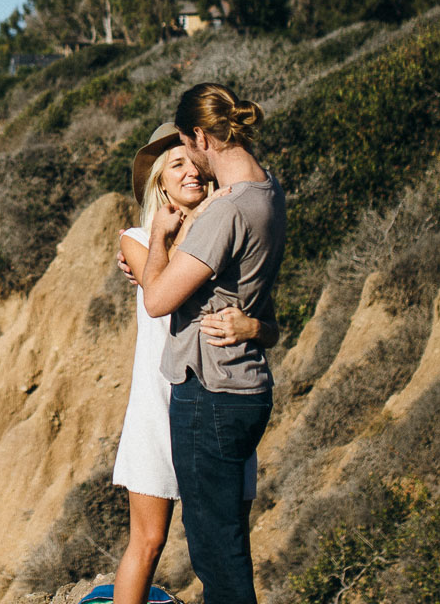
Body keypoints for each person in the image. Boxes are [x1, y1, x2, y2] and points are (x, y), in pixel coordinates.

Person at [109, 123, 269, 604]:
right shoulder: (137, 239)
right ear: (159, 181)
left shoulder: (229, 238)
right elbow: (161, 292)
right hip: (159, 404)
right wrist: (161, 233)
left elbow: (269, 324)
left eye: (193, 162)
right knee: (150, 540)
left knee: (225, 540)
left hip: (215, 398)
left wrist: (252, 328)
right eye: (175, 165)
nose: (189, 172)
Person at [138, 84, 287, 604]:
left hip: (209, 392)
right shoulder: (268, 191)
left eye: (187, 146)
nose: (193, 167)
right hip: (245, 386)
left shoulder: (226, 213)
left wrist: (157, 238)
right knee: (227, 540)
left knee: (214, 553)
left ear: (201, 135)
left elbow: (157, 299)